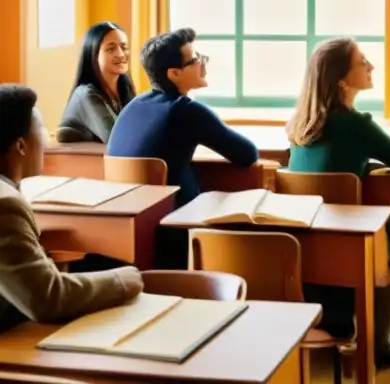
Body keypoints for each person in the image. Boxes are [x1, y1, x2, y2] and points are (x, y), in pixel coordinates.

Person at [286, 38, 390, 368]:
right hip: (348, 254)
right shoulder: (354, 123)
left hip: (304, 251)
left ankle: (381, 331)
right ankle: (378, 342)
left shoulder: (299, 125)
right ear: (341, 80)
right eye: (362, 62)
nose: (372, 66)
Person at [0, 84, 143, 333]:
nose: (47, 142)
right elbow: (48, 299)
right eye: (41, 130)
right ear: (21, 146)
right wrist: (125, 279)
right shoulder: (6, 205)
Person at [107, 28, 258, 207]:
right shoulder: (186, 110)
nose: (203, 62)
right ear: (174, 74)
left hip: (132, 220)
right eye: (195, 59)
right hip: (178, 221)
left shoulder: (133, 105)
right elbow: (247, 154)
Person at [57, 21, 137, 144]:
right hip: (82, 162)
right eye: (110, 49)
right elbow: (117, 138)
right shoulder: (86, 94)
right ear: (93, 55)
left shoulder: (124, 88)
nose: (121, 54)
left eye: (124, 47)